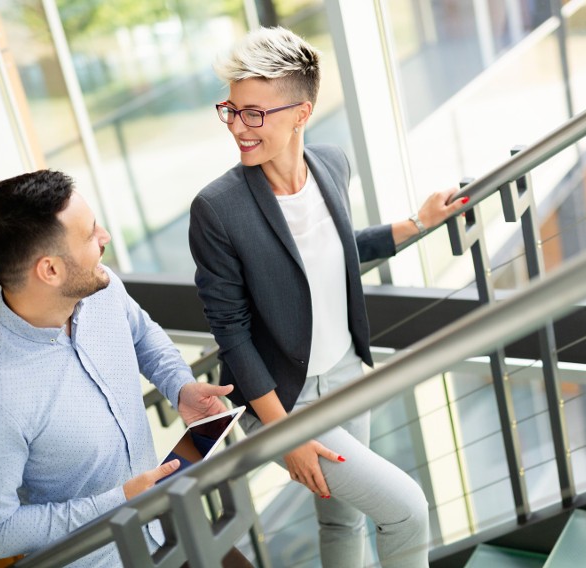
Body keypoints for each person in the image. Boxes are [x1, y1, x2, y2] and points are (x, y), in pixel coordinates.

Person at [188, 27, 468, 567]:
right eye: (232, 110)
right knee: (406, 508)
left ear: (302, 112)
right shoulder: (217, 208)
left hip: (343, 374)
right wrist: (285, 433)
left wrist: (417, 223)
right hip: (280, 400)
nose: (238, 128)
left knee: (342, 515)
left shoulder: (333, 165)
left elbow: (338, 250)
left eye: (255, 114)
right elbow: (232, 333)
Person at [0, 170, 238, 566]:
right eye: (89, 235)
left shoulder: (100, 287)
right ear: (50, 270)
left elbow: (142, 334)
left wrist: (180, 386)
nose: (106, 239)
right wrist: (116, 502)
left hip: (173, 528)